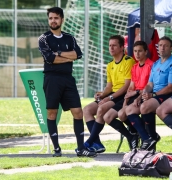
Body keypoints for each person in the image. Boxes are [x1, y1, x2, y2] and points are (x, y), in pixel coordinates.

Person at [38, 7, 96, 157]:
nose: (53, 21)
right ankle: (57, 149)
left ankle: (81, 149)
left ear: (62, 19)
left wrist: (59, 54)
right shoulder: (43, 39)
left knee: (78, 112)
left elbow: (77, 54)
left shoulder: (69, 38)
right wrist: (67, 57)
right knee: (52, 113)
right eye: (50, 18)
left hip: (68, 79)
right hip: (52, 79)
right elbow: (50, 59)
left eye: (56, 18)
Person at [83, 35, 135, 153]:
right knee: (87, 109)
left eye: (114, 45)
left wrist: (110, 97)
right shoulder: (110, 65)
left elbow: (127, 86)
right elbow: (109, 86)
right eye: (110, 45)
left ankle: (89, 142)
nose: (111, 48)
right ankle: (97, 143)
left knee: (102, 109)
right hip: (112, 94)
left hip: (122, 95)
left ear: (122, 47)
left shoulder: (128, 61)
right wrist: (102, 95)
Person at [126, 36, 172, 151]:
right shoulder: (156, 64)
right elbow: (150, 84)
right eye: (160, 45)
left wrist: (153, 95)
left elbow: (171, 87)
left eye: (165, 46)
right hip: (154, 95)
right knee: (129, 110)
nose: (162, 48)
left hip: (167, 95)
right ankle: (148, 139)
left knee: (145, 107)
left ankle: (153, 137)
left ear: (171, 48)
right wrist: (140, 96)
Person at [102, 40, 154, 150]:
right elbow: (131, 87)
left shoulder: (151, 65)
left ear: (146, 52)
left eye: (140, 51)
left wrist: (138, 95)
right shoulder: (135, 67)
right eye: (135, 51)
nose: (137, 54)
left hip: (145, 95)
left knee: (128, 112)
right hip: (134, 95)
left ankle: (146, 137)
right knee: (110, 116)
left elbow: (149, 86)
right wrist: (125, 103)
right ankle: (133, 134)